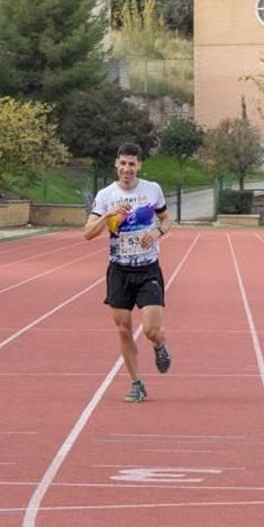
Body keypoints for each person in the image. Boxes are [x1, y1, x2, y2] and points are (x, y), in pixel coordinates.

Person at [83, 142, 172, 402]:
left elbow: (167, 219)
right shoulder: (105, 195)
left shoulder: (152, 190)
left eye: (132, 164)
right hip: (119, 271)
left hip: (148, 270)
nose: (127, 169)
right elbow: (88, 234)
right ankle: (136, 383)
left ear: (139, 165)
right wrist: (107, 215)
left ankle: (160, 345)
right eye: (122, 163)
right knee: (123, 329)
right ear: (116, 164)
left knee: (151, 329)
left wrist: (157, 232)